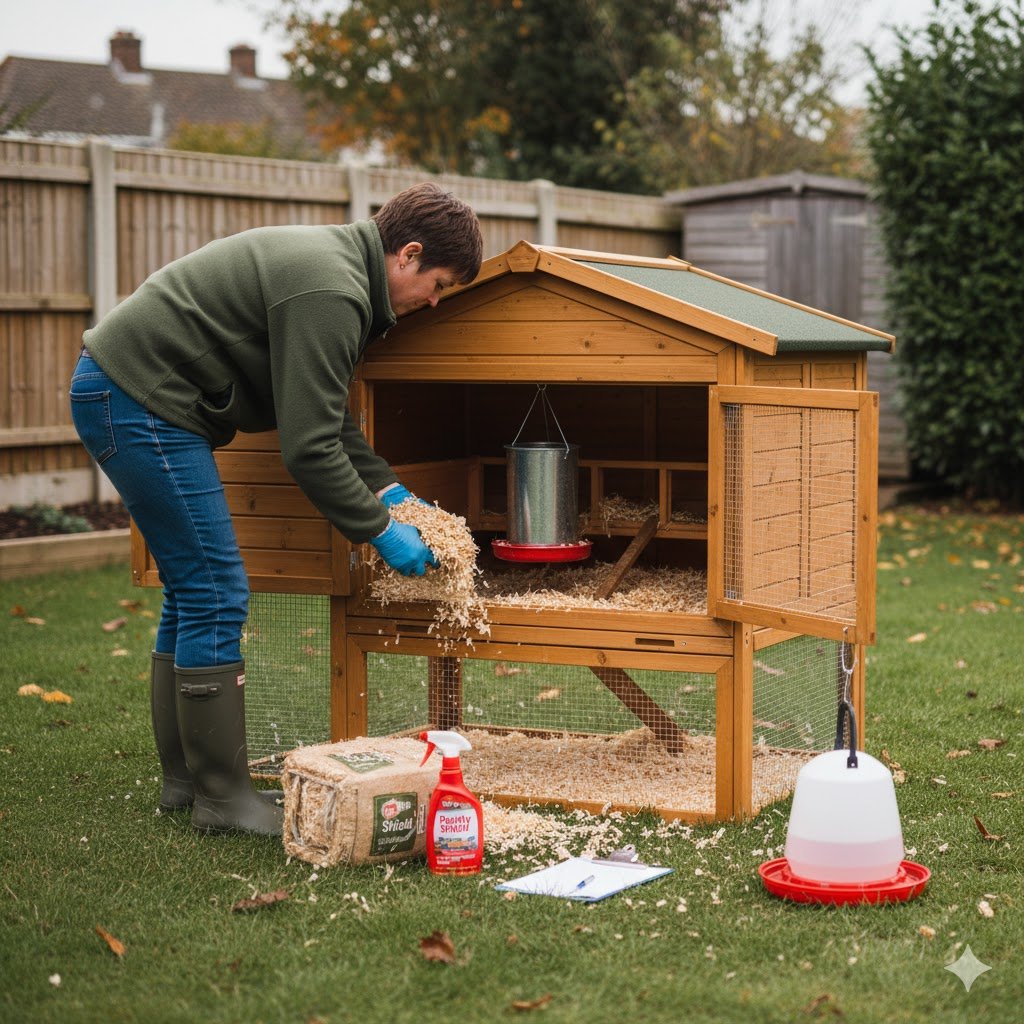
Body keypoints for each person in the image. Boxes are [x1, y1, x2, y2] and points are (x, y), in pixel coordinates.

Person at [69, 183, 484, 837]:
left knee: (190, 591)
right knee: (216, 590)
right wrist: (382, 533)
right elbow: (310, 449)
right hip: (138, 399)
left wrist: (391, 490)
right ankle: (223, 799)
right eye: (436, 284)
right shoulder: (334, 290)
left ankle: (186, 784)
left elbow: (325, 420)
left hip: (128, 392)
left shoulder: (338, 272)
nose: (431, 302)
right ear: (406, 254)